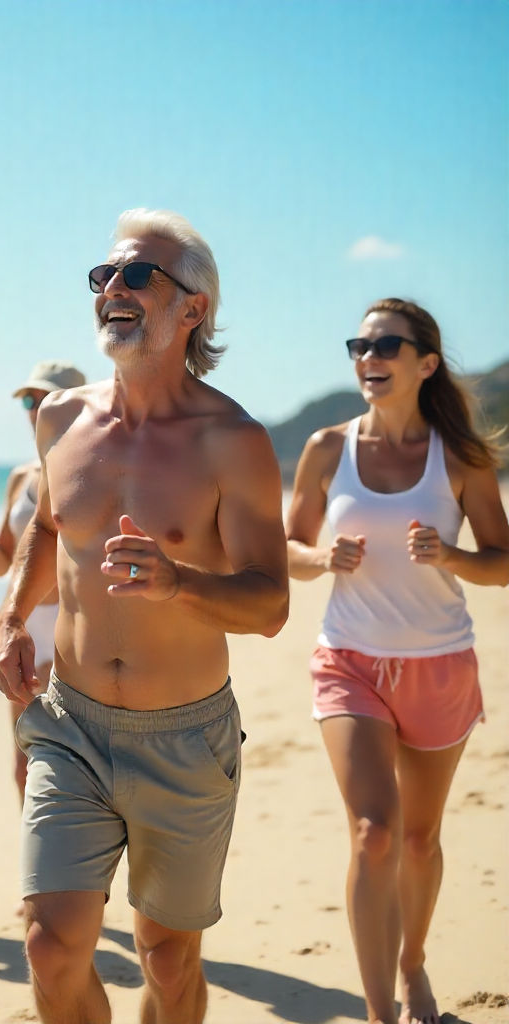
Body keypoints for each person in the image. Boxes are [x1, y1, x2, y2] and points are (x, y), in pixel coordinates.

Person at [0, 209, 289, 1024]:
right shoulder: (60, 419)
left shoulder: (233, 440)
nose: (112, 290)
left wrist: (179, 583)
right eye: (104, 276)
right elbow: (49, 528)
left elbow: (270, 605)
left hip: (185, 739)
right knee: (51, 947)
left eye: (137, 276)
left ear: (192, 309)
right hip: (70, 724)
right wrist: (11, 618)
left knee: (166, 957)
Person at [286, 299, 508, 1024]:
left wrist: (451, 556)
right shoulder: (327, 448)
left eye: (387, 344)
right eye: (360, 343)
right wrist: (323, 559)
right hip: (349, 659)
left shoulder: (461, 456)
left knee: (418, 839)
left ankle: (413, 965)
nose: (369, 356)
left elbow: (502, 563)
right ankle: (381, 1014)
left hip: (439, 664)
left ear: (426, 363)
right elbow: (285, 550)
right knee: (374, 833)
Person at [0, 360, 86, 800]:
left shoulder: (90, 471)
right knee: (23, 758)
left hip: (71, 622)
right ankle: (34, 862)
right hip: (21, 621)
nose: (35, 409)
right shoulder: (21, 477)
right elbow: (4, 563)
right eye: (28, 400)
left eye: (45, 399)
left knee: (66, 755)